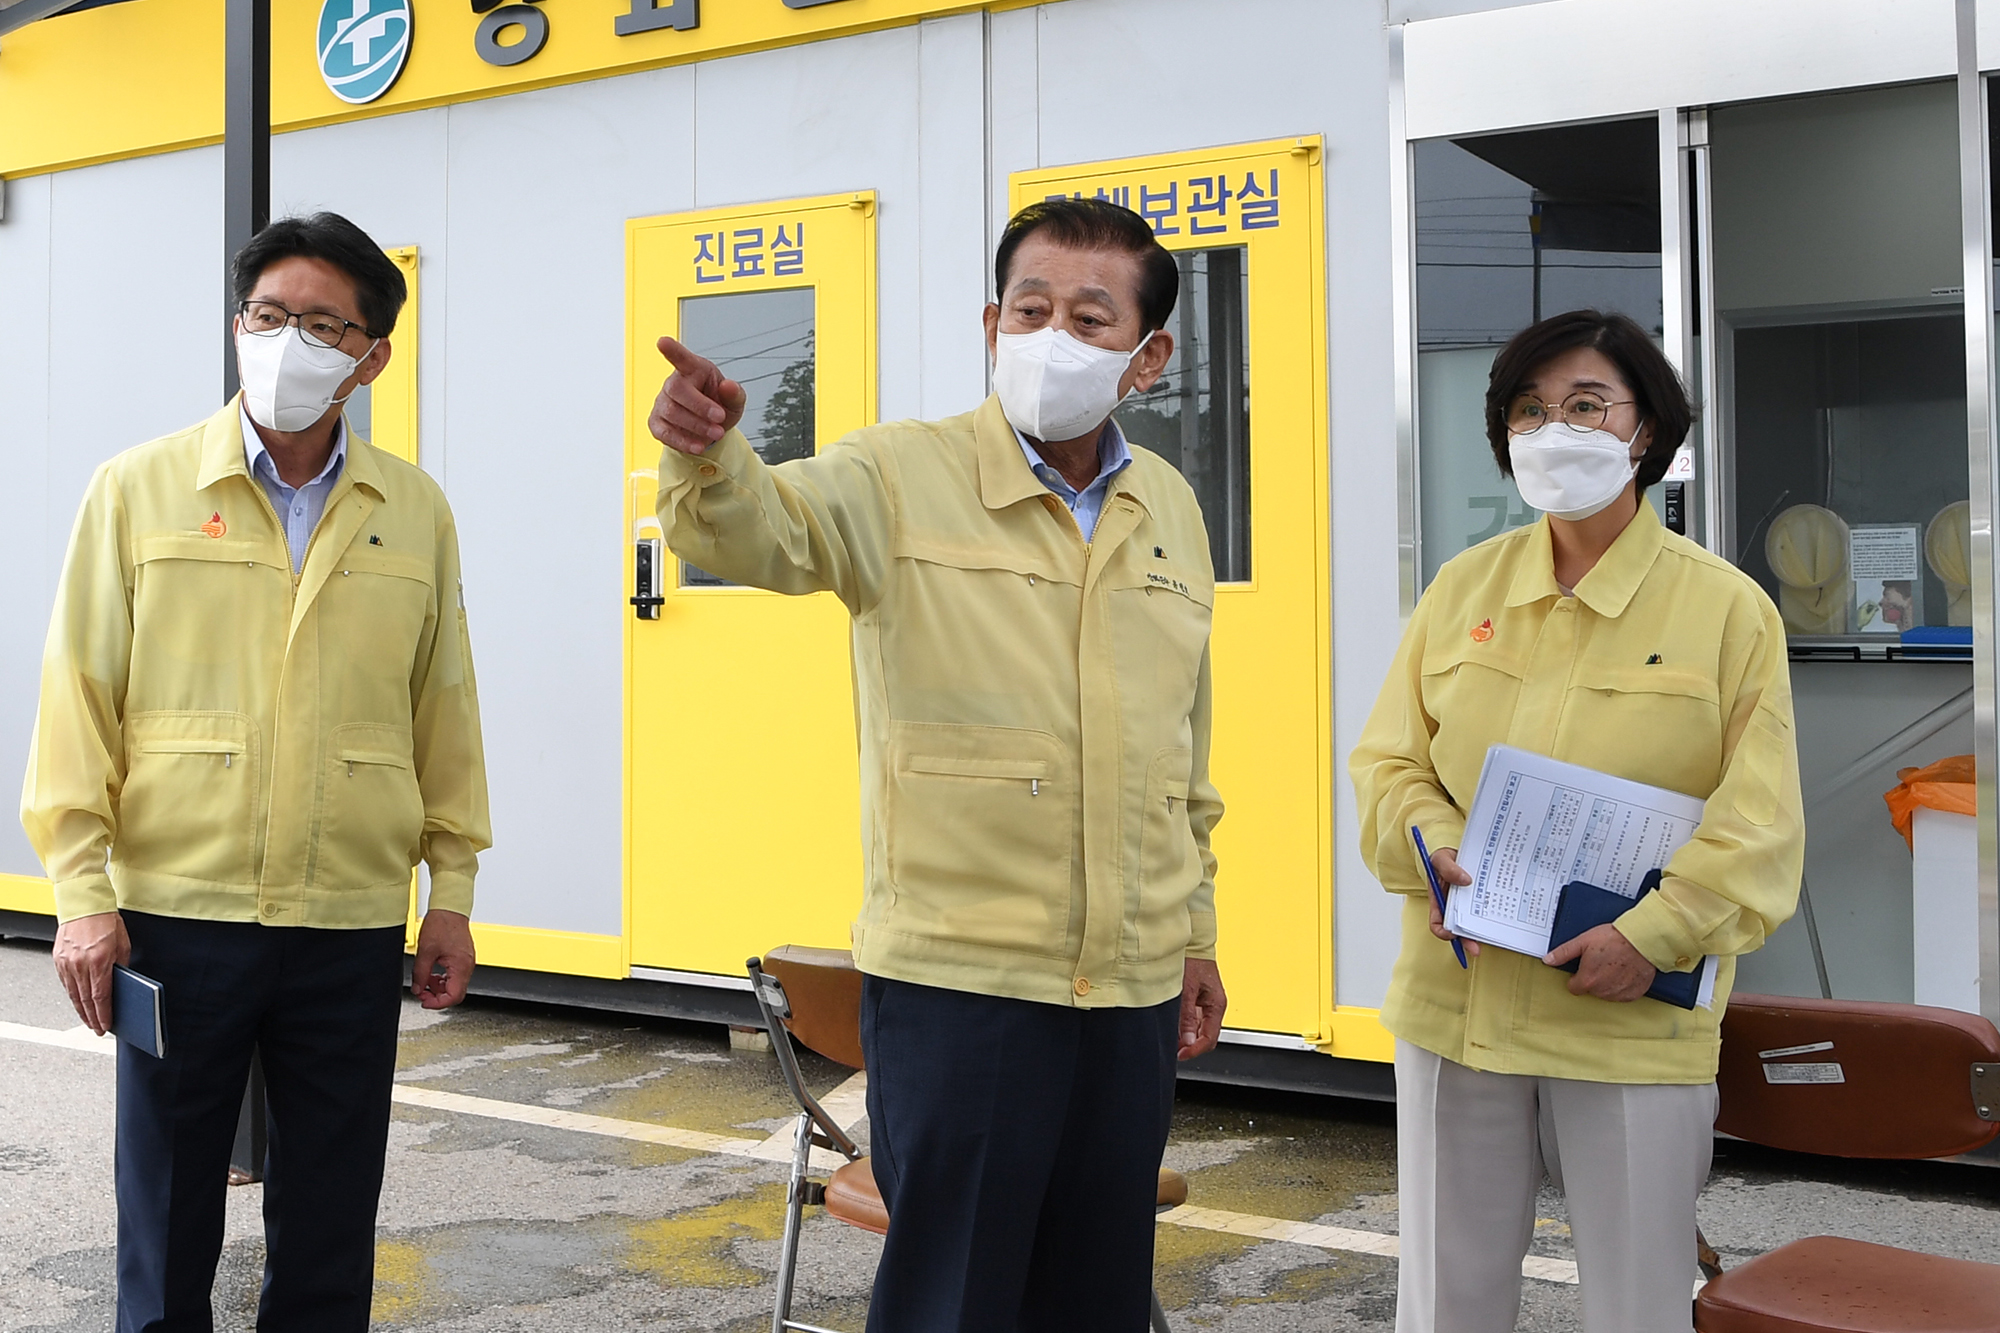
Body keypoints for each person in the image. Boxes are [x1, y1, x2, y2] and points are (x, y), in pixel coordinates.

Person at [648, 197, 1227, 1333]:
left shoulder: (1168, 505)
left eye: (1089, 319)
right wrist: (709, 453)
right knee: (952, 1300)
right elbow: (759, 529)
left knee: (1098, 1296)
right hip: (964, 988)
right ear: (991, 322)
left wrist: (1194, 932)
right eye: (1030, 308)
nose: (1050, 335)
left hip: (1129, 988)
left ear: (1147, 357)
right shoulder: (898, 473)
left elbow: (1184, 748)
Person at [21, 212, 491, 1333]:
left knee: (332, 1207)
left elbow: (444, 703)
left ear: (371, 357)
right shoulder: (138, 489)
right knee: (166, 1204)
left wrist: (453, 891)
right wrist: (82, 895)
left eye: (322, 326)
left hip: (348, 918)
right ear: (239, 324)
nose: (287, 342)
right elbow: (77, 693)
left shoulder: (412, 509)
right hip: (178, 916)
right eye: (268, 315)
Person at [1349, 309, 1804, 1333]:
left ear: (1645, 430)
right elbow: (1388, 763)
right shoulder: (1463, 589)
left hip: (1629, 1021)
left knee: (1638, 1307)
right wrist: (1431, 846)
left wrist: (1653, 936)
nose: (1554, 429)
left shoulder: (1726, 610)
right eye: (1529, 408)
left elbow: (1758, 823)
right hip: (1457, 1006)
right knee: (1445, 1304)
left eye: (1587, 405)